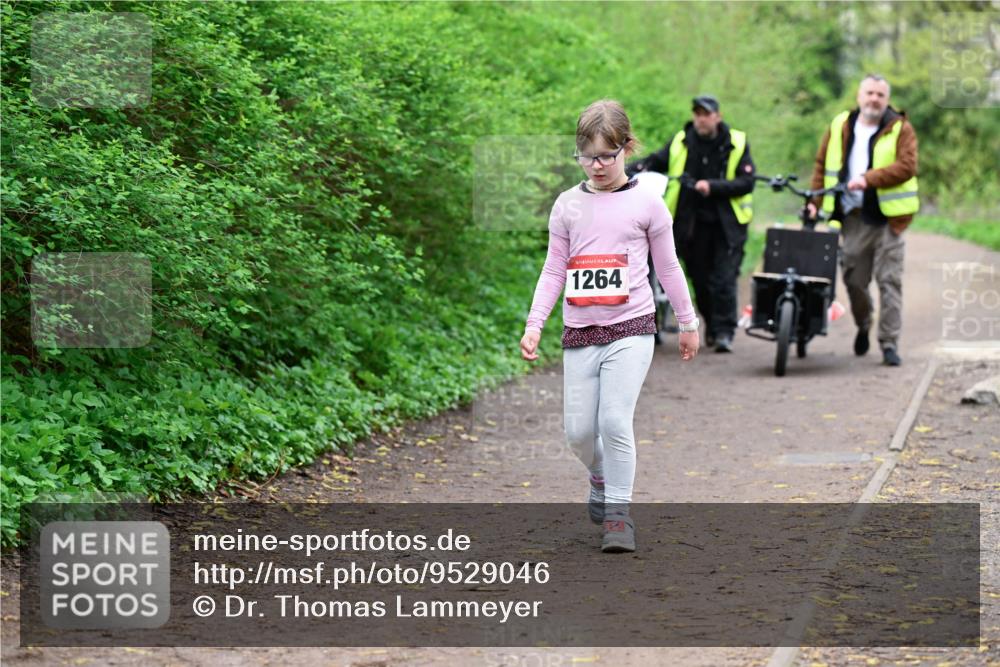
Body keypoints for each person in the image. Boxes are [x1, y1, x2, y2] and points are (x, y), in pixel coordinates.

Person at [519, 99, 699, 554]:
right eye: (587, 156)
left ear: (626, 149)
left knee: (614, 420)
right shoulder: (566, 207)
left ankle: (618, 516)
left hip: (631, 326)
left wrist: (687, 321)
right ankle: (599, 476)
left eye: (606, 155)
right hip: (580, 331)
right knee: (578, 433)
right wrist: (535, 322)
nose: (596, 166)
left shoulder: (648, 203)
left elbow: (670, 267)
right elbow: (554, 270)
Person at [625, 95, 755, 353]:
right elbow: (654, 162)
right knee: (700, 280)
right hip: (690, 226)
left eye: (706, 114)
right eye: (697, 113)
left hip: (727, 225)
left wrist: (713, 187)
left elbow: (746, 182)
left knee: (724, 279)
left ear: (717, 116)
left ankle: (724, 333)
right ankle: (711, 322)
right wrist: (623, 169)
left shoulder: (736, 142)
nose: (701, 118)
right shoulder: (681, 141)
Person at [806, 74, 919, 366]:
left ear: (886, 99)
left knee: (889, 281)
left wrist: (869, 179)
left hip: (889, 220)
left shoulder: (899, 128)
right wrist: (814, 201)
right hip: (853, 219)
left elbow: (908, 166)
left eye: (880, 95)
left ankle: (889, 343)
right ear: (859, 96)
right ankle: (864, 323)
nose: (874, 99)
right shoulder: (840, 126)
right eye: (869, 93)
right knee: (854, 281)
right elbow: (822, 165)